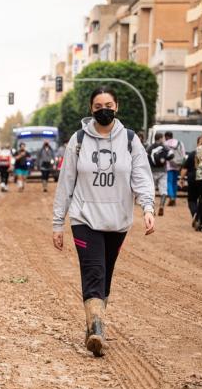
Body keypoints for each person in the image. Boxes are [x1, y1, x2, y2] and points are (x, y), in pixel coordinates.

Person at [52, 86, 155, 357]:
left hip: (118, 220)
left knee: (105, 273)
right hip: (84, 217)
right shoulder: (78, 140)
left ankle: (93, 323)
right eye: (98, 106)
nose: (103, 110)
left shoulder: (131, 140)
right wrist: (57, 222)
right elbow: (66, 183)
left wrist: (147, 207)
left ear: (117, 107)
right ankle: (96, 327)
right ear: (91, 109)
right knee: (94, 269)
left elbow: (142, 176)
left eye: (108, 104)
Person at [148, 132, 169, 215]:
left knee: (151, 190)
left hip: (152, 171)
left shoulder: (150, 147)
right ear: (160, 138)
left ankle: (152, 208)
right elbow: (171, 155)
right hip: (163, 171)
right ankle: (161, 206)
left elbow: (145, 156)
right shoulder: (164, 147)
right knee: (163, 190)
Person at [164, 131, 185, 208]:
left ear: (166, 136)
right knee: (174, 182)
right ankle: (174, 198)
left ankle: (171, 197)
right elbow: (183, 154)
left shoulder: (165, 144)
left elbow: (164, 155)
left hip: (169, 166)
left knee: (169, 182)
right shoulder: (179, 143)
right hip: (177, 165)